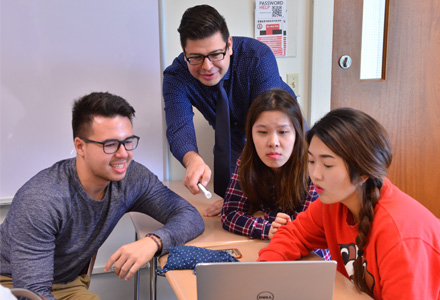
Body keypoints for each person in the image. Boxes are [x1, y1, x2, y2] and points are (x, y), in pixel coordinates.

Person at [0, 92, 205, 300]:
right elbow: (32, 294)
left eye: (128, 141)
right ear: (80, 146)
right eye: (110, 144)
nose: (123, 153)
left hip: (67, 283)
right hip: (12, 285)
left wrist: (154, 242)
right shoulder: (42, 200)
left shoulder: (132, 177)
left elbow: (189, 216)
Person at [258, 108, 440, 299]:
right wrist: (263, 273)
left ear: (363, 173)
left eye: (328, 165)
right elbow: (294, 235)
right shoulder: (333, 202)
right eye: (311, 161)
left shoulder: (402, 237)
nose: (315, 175)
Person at [163, 4, 300, 204]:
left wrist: (247, 201)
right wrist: (192, 159)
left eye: (216, 54)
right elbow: (178, 126)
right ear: (185, 54)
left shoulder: (257, 57)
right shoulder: (176, 76)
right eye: (196, 58)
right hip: (230, 135)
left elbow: (267, 119)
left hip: (278, 126)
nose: (207, 66)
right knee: (229, 200)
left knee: (289, 192)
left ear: (229, 44)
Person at [220, 88, 329, 259]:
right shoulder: (247, 160)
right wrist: (268, 227)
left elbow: (308, 231)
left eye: (283, 132)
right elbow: (229, 214)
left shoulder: (313, 164)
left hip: (315, 261)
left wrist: (261, 215)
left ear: (297, 134)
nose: (273, 142)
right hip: (271, 250)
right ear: (251, 134)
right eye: (262, 132)